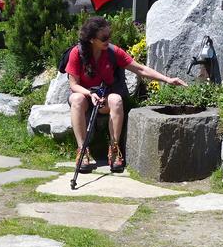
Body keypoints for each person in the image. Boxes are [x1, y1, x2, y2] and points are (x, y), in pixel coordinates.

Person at [67, 16, 186, 172]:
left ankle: (114, 149)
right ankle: (82, 151)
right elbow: (73, 85)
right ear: (91, 39)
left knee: (116, 100)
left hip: (104, 99)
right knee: (76, 99)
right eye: (103, 37)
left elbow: (140, 69)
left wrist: (167, 79)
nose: (108, 39)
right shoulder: (77, 53)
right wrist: (90, 94)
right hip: (85, 97)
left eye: (109, 35)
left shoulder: (112, 52)